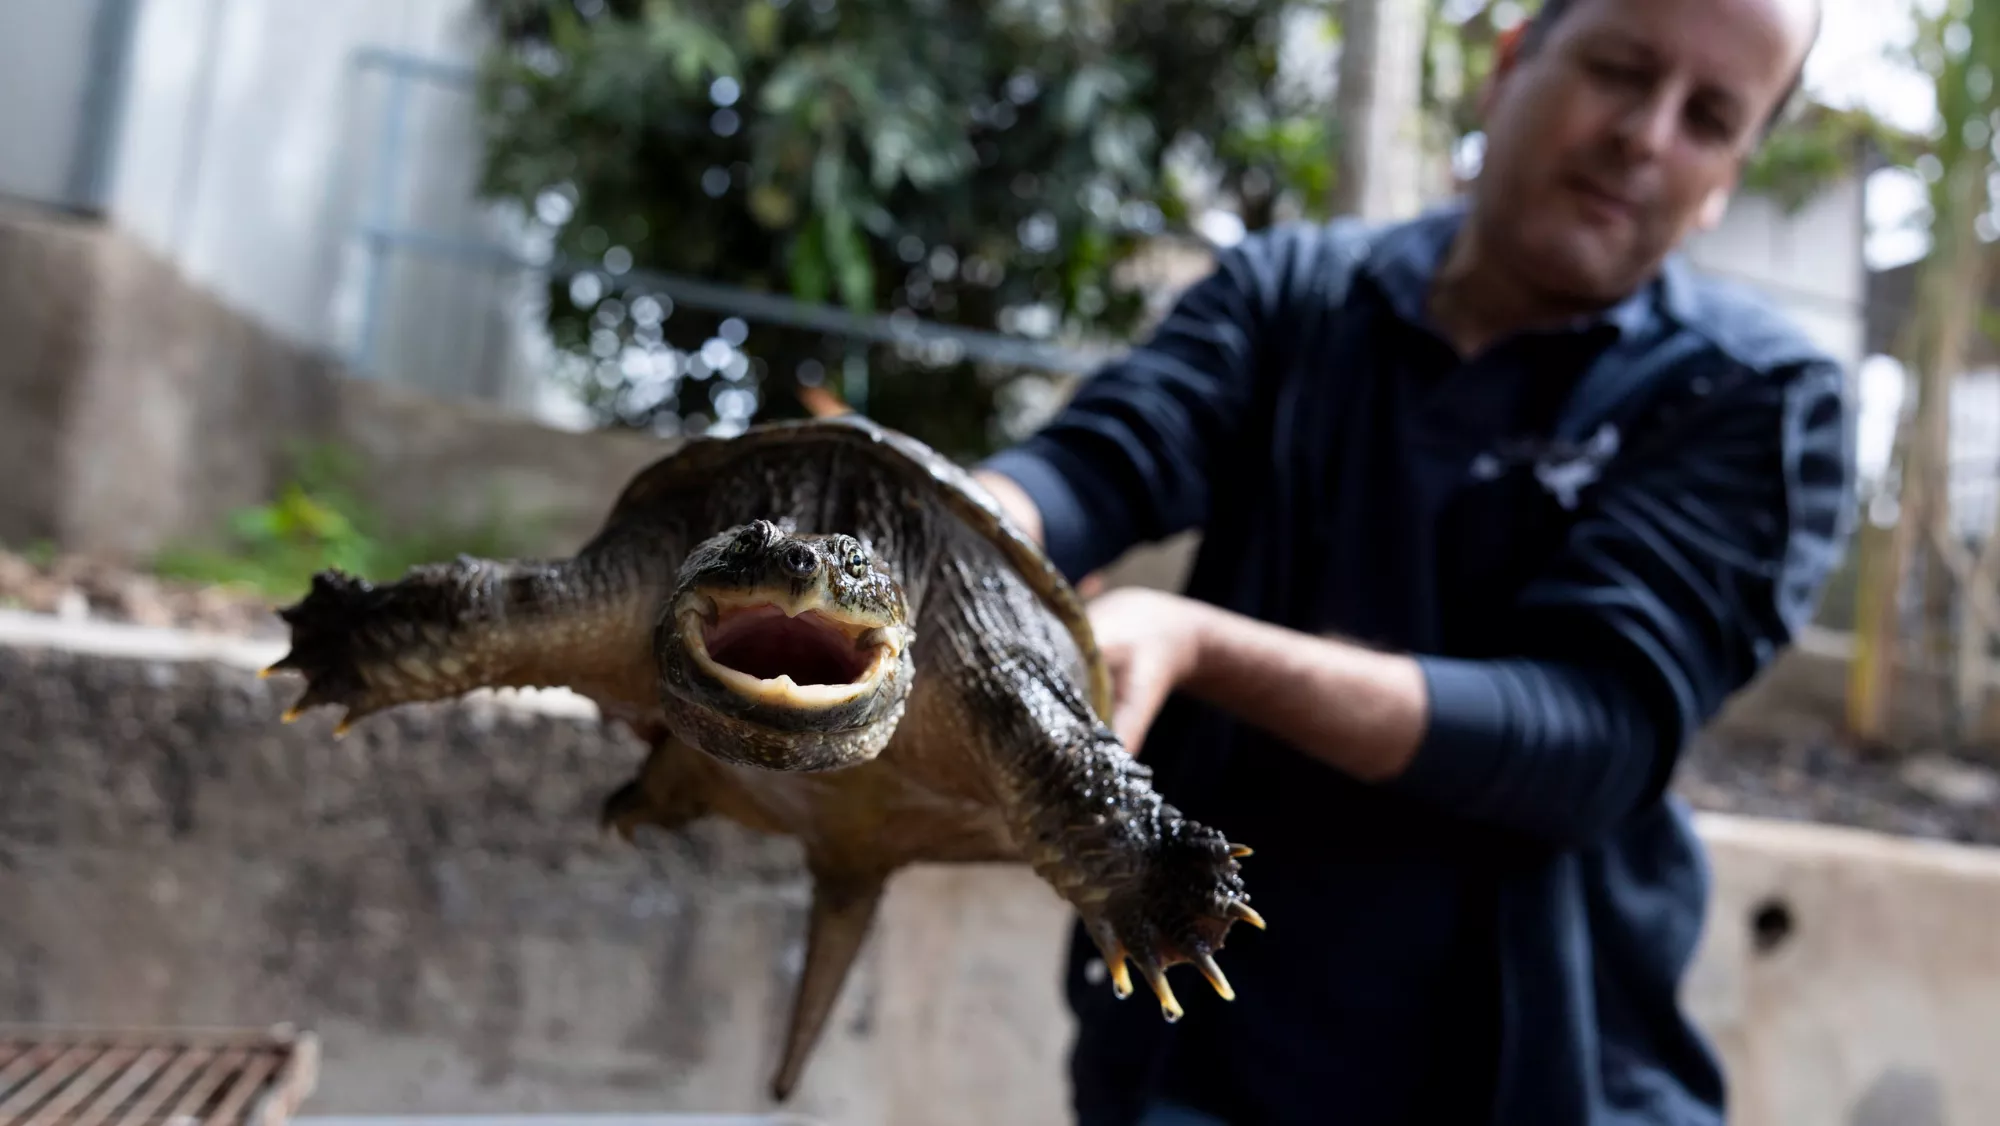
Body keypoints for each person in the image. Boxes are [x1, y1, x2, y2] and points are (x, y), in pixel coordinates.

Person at [970, 0, 1850, 1123]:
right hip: (1198, 1068)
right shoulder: (1291, 295)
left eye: (1708, 117)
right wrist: (933, 523)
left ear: (1726, 176)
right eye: (1621, 70)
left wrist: (1197, 643)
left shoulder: (1749, 396)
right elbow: (1089, 470)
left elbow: (1589, 731)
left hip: (1543, 1083)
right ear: (1509, 65)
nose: (1646, 134)